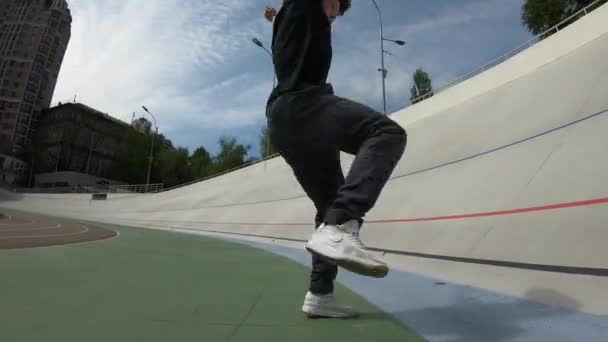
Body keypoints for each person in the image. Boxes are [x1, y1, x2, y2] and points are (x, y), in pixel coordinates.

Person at [264, 0, 407, 318]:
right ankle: (342, 225)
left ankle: (320, 295)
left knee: (328, 204)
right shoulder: (303, 6)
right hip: (304, 106)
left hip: (286, 121)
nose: (332, 15)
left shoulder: (294, 22)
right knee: (385, 133)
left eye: (336, 13)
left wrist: (275, 20)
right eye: (331, 6)